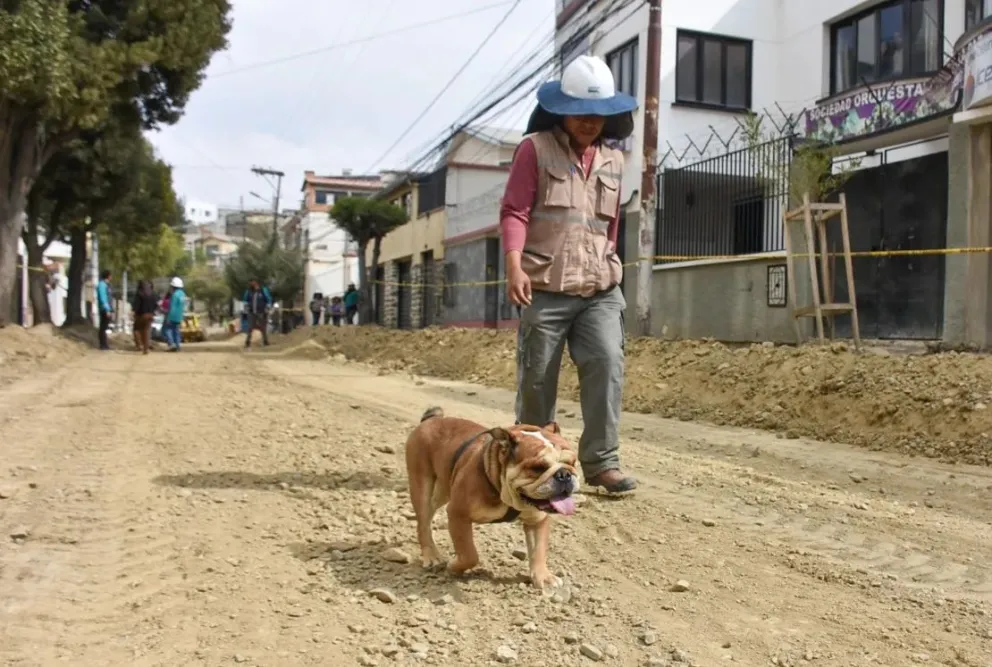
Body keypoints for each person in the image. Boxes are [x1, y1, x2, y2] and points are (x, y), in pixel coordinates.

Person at [500, 55, 638, 494]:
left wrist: (611, 265)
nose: (590, 122)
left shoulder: (615, 161)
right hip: (544, 286)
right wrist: (514, 264)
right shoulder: (534, 150)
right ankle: (535, 465)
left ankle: (601, 463)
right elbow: (514, 211)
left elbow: (611, 225)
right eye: (581, 112)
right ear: (562, 109)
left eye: (598, 114)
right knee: (538, 378)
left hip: (599, 288)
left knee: (606, 362)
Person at [131, 280, 158, 354]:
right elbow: (156, 305)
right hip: (150, 315)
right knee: (146, 331)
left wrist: (134, 312)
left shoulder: (139, 294)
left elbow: (136, 305)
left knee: (136, 329)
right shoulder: (153, 294)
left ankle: (139, 345)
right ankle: (146, 348)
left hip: (141, 315)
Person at [243, 278, 271, 348]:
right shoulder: (248, 291)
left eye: (252, 282)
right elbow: (245, 300)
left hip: (261, 312)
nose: (251, 283)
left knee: (263, 327)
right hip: (251, 312)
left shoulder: (263, 290)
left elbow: (269, 300)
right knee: (250, 327)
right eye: (250, 282)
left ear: (256, 282)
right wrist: (246, 307)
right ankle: (247, 342)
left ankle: (265, 341)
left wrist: (267, 307)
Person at [163, 277, 186, 352]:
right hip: (179, 316)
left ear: (173, 286)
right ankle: (178, 345)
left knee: (167, 330)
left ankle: (171, 344)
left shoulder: (174, 295)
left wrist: (168, 317)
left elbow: (172, 307)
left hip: (172, 316)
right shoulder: (182, 294)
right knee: (176, 331)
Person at [96, 270, 113, 350]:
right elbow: (103, 298)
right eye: (110, 275)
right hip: (104, 309)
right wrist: (107, 309)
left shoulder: (107, 285)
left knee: (105, 327)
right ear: (108, 276)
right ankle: (103, 345)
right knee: (103, 327)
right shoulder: (102, 285)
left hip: (107, 308)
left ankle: (105, 344)